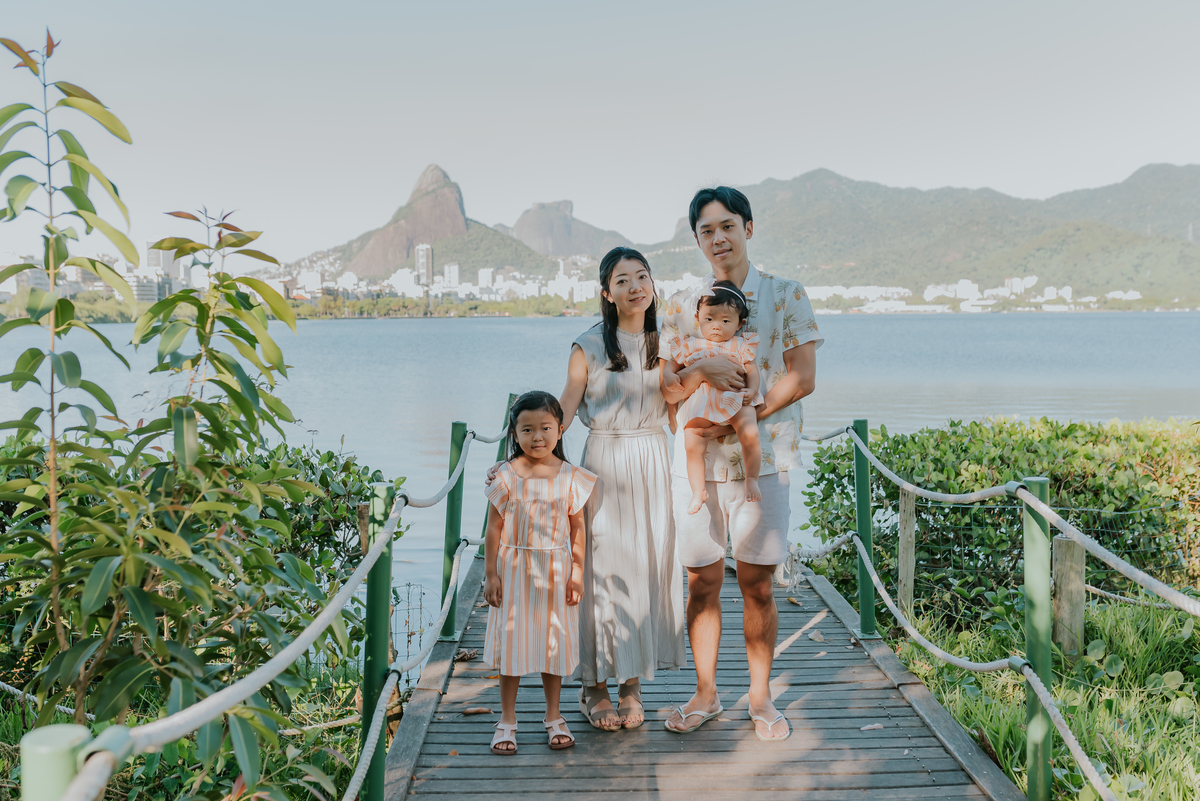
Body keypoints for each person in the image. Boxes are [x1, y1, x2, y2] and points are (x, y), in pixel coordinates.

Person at [659, 186, 823, 742]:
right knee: (701, 581)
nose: (718, 238)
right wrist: (702, 369)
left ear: (748, 228)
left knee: (758, 584)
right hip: (697, 463)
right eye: (706, 230)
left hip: (764, 457)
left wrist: (745, 411)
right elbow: (669, 390)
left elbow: (803, 376)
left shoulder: (785, 294)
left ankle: (760, 696)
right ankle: (705, 693)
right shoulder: (682, 304)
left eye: (727, 225)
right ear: (698, 239)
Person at [559, 247, 686, 730]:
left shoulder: (668, 341)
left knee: (645, 567)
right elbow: (564, 412)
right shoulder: (587, 346)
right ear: (606, 293)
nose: (635, 286)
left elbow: (681, 411)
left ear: (652, 285)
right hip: (606, 462)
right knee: (601, 571)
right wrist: (528, 465)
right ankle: (593, 687)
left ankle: (630, 683)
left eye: (642, 277)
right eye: (622, 280)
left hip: (654, 461)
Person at [482, 391, 597, 755]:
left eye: (545, 428)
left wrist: (577, 571)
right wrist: (491, 574)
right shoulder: (505, 475)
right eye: (527, 429)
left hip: (556, 568)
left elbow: (578, 528)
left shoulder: (570, 477)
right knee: (511, 645)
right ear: (514, 434)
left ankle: (553, 715)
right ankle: (508, 719)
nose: (537, 437)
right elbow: (493, 529)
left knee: (554, 643)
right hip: (514, 569)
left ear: (560, 430)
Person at [662, 279, 764, 514]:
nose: (716, 326)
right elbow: (671, 365)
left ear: (740, 323)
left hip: (737, 397)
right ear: (698, 318)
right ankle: (699, 490)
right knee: (692, 442)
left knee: (750, 432)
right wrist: (669, 376)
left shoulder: (740, 345)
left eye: (726, 320)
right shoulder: (690, 345)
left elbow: (752, 370)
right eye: (709, 319)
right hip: (702, 402)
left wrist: (752, 390)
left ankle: (752, 479)